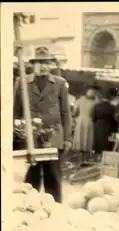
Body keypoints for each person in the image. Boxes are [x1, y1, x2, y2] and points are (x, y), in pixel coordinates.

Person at [13, 46, 72, 203]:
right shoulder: (22, 82)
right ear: (33, 64)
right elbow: (16, 112)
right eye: (40, 63)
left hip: (53, 138)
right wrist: (16, 136)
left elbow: (66, 113)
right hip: (30, 137)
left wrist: (67, 138)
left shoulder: (60, 84)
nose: (44, 66)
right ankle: (28, 208)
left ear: (51, 65)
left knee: (53, 176)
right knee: (31, 177)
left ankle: (54, 210)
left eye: (46, 62)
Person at [92, 87, 119, 162]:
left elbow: (93, 117)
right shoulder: (112, 108)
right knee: (106, 143)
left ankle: (98, 158)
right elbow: (114, 119)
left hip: (98, 126)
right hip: (108, 126)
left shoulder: (97, 106)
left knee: (98, 142)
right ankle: (105, 159)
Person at [73, 83, 100, 164]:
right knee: (80, 140)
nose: (92, 93)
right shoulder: (80, 100)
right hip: (81, 121)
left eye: (94, 92)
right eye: (91, 91)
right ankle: (80, 160)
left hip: (89, 122)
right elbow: (75, 111)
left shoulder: (96, 102)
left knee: (87, 140)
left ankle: (85, 160)